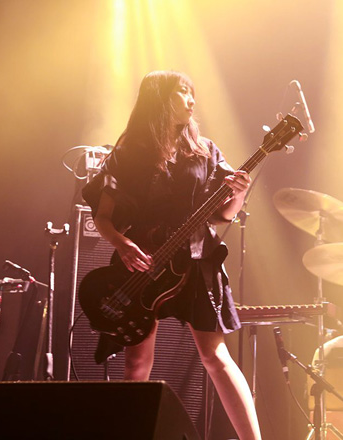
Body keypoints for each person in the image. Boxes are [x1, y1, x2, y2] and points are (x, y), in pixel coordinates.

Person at [82, 70, 261, 440]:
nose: (192, 100)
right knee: (136, 363)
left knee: (215, 357)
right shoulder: (128, 152)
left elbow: (223, 214)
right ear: (160, 97)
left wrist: (240, 193)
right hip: (142, 265)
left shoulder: (205, 150)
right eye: (183, 92)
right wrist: (121, 244)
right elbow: (102, 217)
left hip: (196, 261)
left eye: (193, 92)